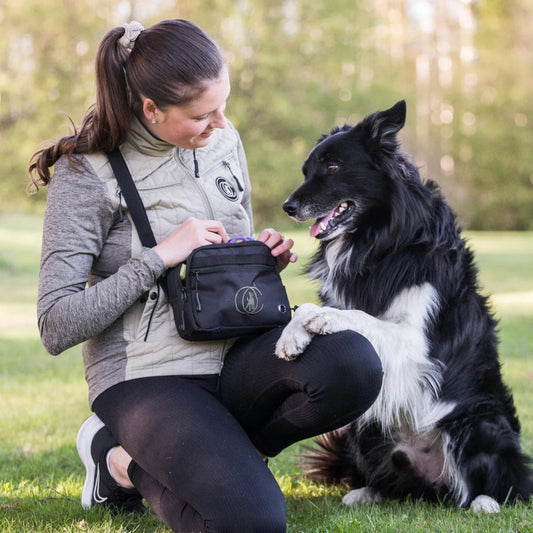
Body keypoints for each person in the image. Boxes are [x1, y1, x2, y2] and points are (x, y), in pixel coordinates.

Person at [29, 19, 383, 532]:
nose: (221, 123)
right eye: (202, 115)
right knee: (253, 523)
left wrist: (259, 255)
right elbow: (55, 324)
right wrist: (160, 256)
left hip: (237, 354)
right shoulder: (87, 173)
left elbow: (225, 245)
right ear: (152, 109)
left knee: (353, 363)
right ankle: (119, 460)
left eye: (223, 105)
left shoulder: (222, 139)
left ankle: (228, 454)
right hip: (148, 379)